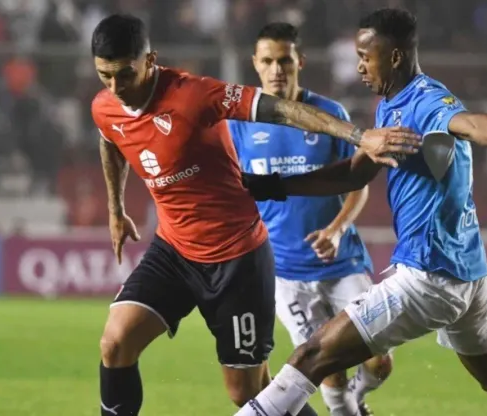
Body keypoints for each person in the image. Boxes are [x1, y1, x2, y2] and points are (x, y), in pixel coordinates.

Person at [235, 8, 487, 416]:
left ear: (396, 56)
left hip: (428, 275)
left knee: (311, 357)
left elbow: (470, 125)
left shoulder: (426, 101)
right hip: (468, 275)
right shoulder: (391, 104)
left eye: (367, 56)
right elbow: (354, 173)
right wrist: (278, 186)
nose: (360, 67)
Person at [89, 14, 421, 416]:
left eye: (125, 74)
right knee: (115, 343)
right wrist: (115, 208)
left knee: (247, 392)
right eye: (105, 76)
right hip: (173, 251)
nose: (115, 87)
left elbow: (282, 111)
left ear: (150, 60)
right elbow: (110, 137)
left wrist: (359, 137)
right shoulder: (105, 106)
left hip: (238, 260)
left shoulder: (194, 94)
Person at [227, 23, 392, 416]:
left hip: (341, 263)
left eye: (284, 60)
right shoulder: (238, 126)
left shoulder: (328, 115)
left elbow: (359, 182)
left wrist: (336, 230)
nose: (276, 69)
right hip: (285, 273)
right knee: (328, 368)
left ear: (299, 61)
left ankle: (358, 398)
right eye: (267, 61)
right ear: (255, 64)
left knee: (379, 362)